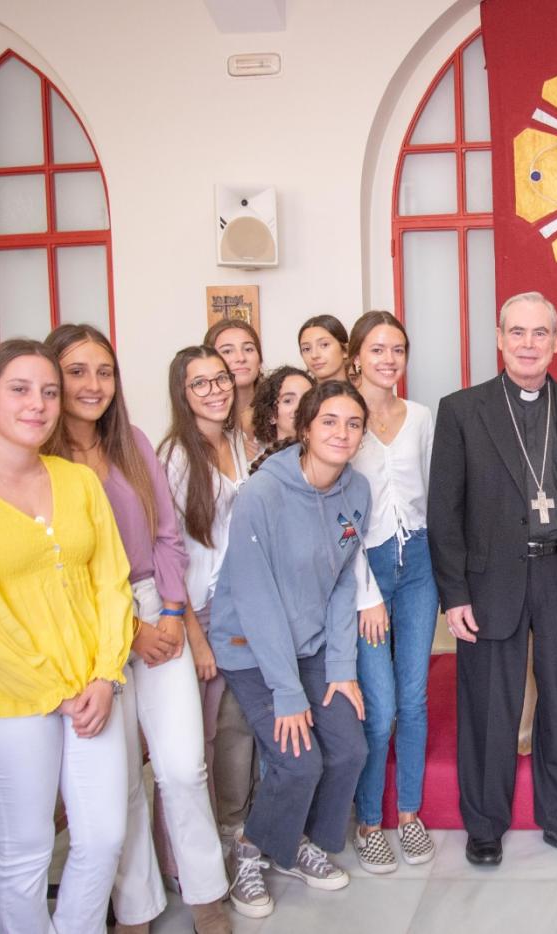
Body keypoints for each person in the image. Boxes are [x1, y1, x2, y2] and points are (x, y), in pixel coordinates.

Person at [0, 340, 134, 934]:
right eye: (19, 390)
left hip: (91, 691)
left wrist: (103, 674)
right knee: (24, 853)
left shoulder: (77, 482)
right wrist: (56, 688)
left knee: (102, 837)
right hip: (5, 702)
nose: (38, 403)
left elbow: (112, 584)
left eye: (49, 391)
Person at [44, 325, 231, 933]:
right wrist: (128, 631)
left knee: (181, 766)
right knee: (118, 777)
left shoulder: (135, 444)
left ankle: (206, 894)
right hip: (90, 627)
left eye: (104, 371)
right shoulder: (44, 463)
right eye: (77, 371)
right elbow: (60, 570)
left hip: (158, 608)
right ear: (53, 378)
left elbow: (166, 536)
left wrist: (173, 612)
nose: (93, 385)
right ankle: (136, 907)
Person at [428, 291, 557, 868]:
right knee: (491, 704)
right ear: (499, 338)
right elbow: (445, 510)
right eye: (518, 332)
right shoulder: (462, 410)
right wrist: (454, 592)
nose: (529, 344)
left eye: (540, 333)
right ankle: (484, 826)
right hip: (492, 581)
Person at [212, 380, 371, 917]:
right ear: (303, 428)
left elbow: (344, 582)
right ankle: (252, 852)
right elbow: (255, 599)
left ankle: (296, 843)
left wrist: (342, 669)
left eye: (353, 423)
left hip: (313, 648)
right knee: (299, 763)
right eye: (328, 421)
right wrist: (286, 691)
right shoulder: (263, 494)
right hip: (254, 652)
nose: (341, 433)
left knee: (351, 749)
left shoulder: (358, 491)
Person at [156, 345, 258, 890]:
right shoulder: (175, 456)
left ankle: (229, 834)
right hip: (195, 609)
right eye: (201, 383)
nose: (217, 389)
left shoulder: (239, 443)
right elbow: (168, 554)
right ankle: (177, 863)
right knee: (191, 744)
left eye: (221, 379)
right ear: (182, 392)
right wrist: (195, 636)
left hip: (239, 604)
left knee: (235, 726)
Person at [346, 311, 440, 871]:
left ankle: (408, 813)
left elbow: (435, 496)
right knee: (378, 709)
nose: (388, 359)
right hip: (366, 572)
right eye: (377, 349)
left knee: (414, 698)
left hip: (420, 563)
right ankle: (368, 820)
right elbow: (334, 514)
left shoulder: (422, 417)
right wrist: (365, 594)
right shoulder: (340, 418)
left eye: (398, 350)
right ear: (356, 355)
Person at [205, 319, 264, 463]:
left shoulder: (280, 410)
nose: (241, 358)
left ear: (259, 359)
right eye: (227, 351)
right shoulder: (203, 420)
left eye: (248, 349)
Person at [249, 365, 316, 474]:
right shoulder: (267, 471)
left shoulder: (328, 460)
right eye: (288, 400)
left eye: (307, 398)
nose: (300, 407)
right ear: (271, 415)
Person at [298, 315, 350, 384]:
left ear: (345, 350)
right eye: (307, 349)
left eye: (324, 345)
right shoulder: (301, 394)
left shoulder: (363, 393)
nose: (314, 355)